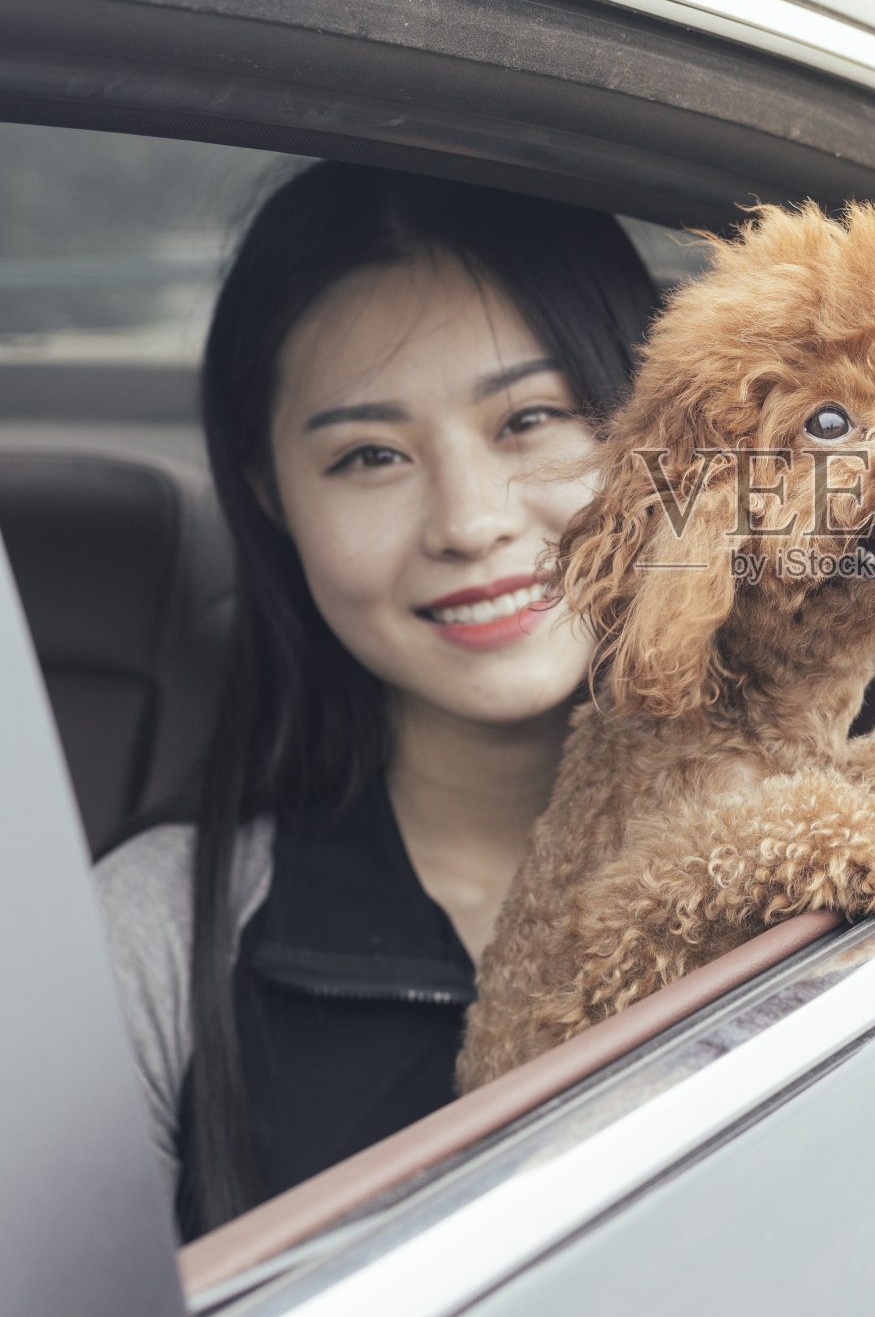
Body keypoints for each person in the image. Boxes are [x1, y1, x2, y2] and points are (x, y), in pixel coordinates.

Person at [93, 162, 659, 1239]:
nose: (468, 520)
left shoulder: (838, 848)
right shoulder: (164, 930)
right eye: (368, 455)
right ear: (272, 496)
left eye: (529, 418)